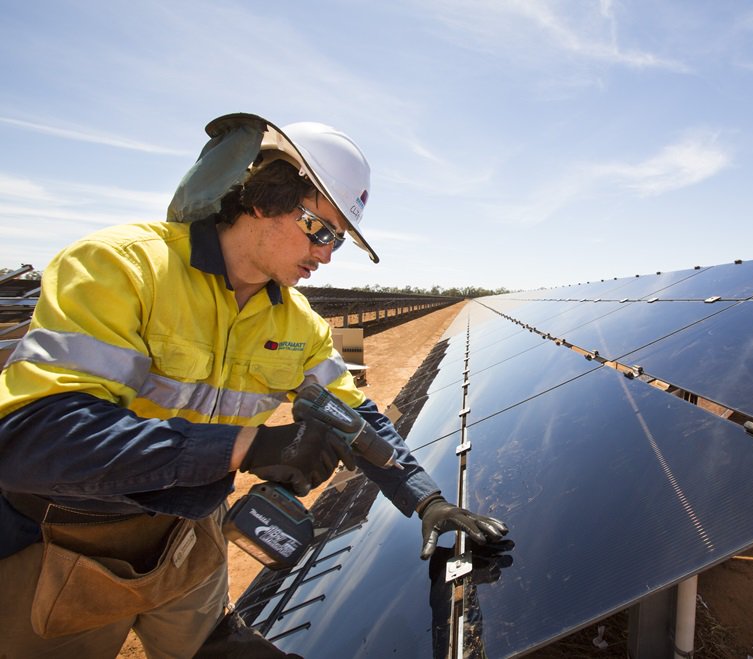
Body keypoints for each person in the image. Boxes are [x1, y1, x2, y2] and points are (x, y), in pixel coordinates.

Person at [0, 113, 508, 658]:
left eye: (338, 242)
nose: (326, 255)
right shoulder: (123, 268)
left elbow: (358, 418)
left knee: (213, 645)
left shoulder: (298, 323)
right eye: (321, 231)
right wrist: (247, 446)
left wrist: (425, 498)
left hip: (189, 535)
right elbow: (36, 438)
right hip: (66, 539)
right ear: (265, 198)